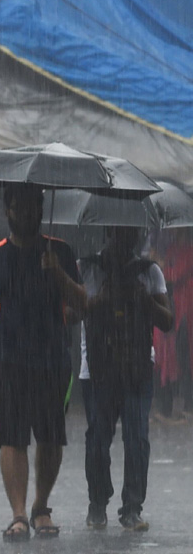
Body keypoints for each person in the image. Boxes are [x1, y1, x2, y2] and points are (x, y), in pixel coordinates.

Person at [0, 183, 86, 540]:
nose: (27, 214)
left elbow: (82, 305)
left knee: (52, 438)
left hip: (52, 359)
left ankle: (41, 507)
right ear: (7, 210)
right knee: (12, 438)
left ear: (41, 209)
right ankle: (18, 513)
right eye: (19, 207)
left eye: (33, 207)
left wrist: (57, 273)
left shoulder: (62, 252)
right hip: (7, 361)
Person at [78, 226, 174, 532]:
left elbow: (167, 320)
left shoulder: (148, 272)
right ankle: (97, 502)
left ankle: (132, 506)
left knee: (136, 438)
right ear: (107, 232)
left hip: (136, 369)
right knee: (97, 439)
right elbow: (69, 312)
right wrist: (100, 300)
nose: (124, 239)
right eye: (118, 233)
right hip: (98, 368)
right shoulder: (88, 268)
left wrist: (143, 300)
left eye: (130, 233)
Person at [154, 227, 193, 421]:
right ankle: (166, 406)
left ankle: (188, 403)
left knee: (185, 354)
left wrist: (161, 266)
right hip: (173, 307)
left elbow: (175, 273)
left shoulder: (189, 250)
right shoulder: (170, 249)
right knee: (167, 356)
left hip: (185, 309)